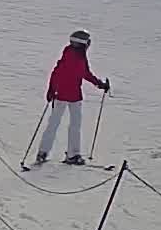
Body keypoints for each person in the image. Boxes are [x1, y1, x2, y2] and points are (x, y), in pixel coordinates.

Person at [37, 30, 109, 166]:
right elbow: (84, 73)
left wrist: (52, 90)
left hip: (61, 95)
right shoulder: (77, 57)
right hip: (72, 96)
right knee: (74, 125)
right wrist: (99, 83)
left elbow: (58, 72)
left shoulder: (70, 54)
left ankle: (43, 152)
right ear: (83, 44)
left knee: (54, 123)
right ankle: (72, 154)